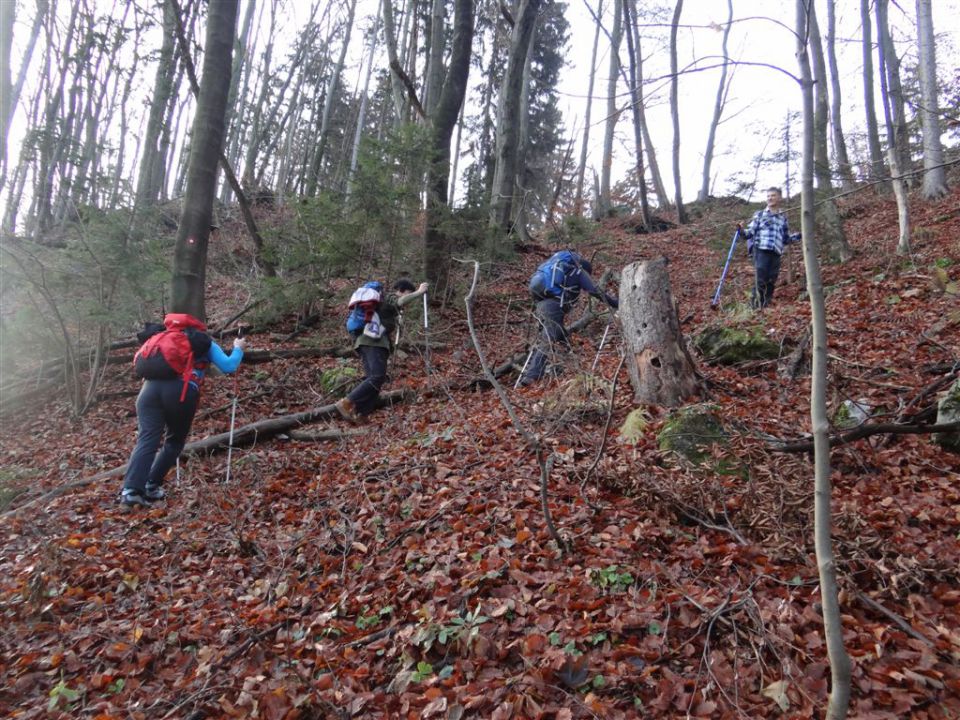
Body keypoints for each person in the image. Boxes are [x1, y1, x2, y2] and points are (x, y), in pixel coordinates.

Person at [119, 313, 246, 508]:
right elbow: (229, 366)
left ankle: (131, 491)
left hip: (147, 392)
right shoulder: (201, 341)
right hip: (180, 391)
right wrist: (238, 349)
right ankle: (151, 485)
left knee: (147, 439)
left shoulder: (158, 338)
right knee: (174, 441)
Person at [518, 250, 618, 386]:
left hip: (540, 304)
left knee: (561, 336)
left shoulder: (557, 271)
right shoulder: (578, 272)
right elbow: (595, 291)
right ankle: (532, 376)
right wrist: (616, 303)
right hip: (553, 306)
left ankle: (571, 367)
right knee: (549, 337)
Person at [335, 279, 428, 422]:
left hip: (367, 342)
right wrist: (419, 292)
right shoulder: (390, 297)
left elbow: (385, 319)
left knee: (374, 380)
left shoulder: (383, 305)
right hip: (373, 343)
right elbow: (400, 301)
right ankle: (347, 402)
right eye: (407, 293)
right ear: (401, 290)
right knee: (377, 377)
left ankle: (361, 413)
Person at [738, 187, 800, 309]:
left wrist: (798, 236)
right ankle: (755, 306)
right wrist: (741, 231)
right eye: (768, 196)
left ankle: (765, 305)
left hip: (776, 252)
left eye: (773, 195)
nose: (770, 198)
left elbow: (785, 239)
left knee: (771, 279)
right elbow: (749, 233)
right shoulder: (760, 215)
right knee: (761, 278)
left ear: (779, 198)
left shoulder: (783, 218)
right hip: (761, 250)